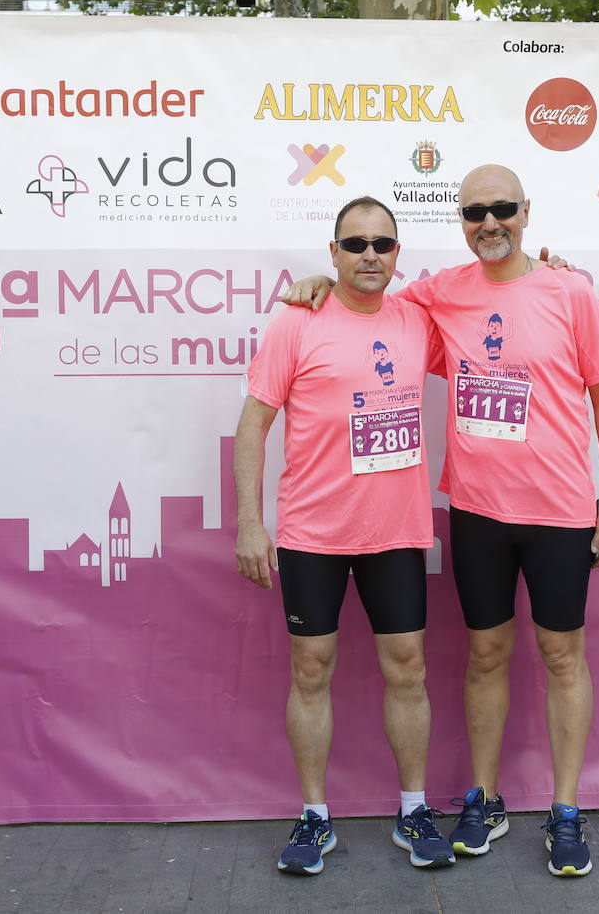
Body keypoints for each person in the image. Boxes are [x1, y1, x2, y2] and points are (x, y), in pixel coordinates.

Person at [287, 164, 599, 878]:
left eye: (503, 208)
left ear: (526, 211)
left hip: (562, 509)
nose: (489, 222)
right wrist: (317, 286)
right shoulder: (439, 293)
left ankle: (567, 812)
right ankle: (486, 796)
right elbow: (367, 294)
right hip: (476, 510)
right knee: (485, 655)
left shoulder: (570, 290)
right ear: (461, 221)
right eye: (475, 212)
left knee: (564, 657)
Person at [233, 196, 454, 876]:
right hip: (313, 532)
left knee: (407, 670)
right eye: (354, 245)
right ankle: (314, 817)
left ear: (397, 254)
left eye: (381, 245)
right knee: (310, 671)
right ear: (332, 253)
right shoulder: (297, 321)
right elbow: (253, 424)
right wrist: (249, 520)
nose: (368, 256)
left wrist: (550, 271)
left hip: (394, 531)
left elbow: (497, 319)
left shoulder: (419, 318)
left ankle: (413, 808)